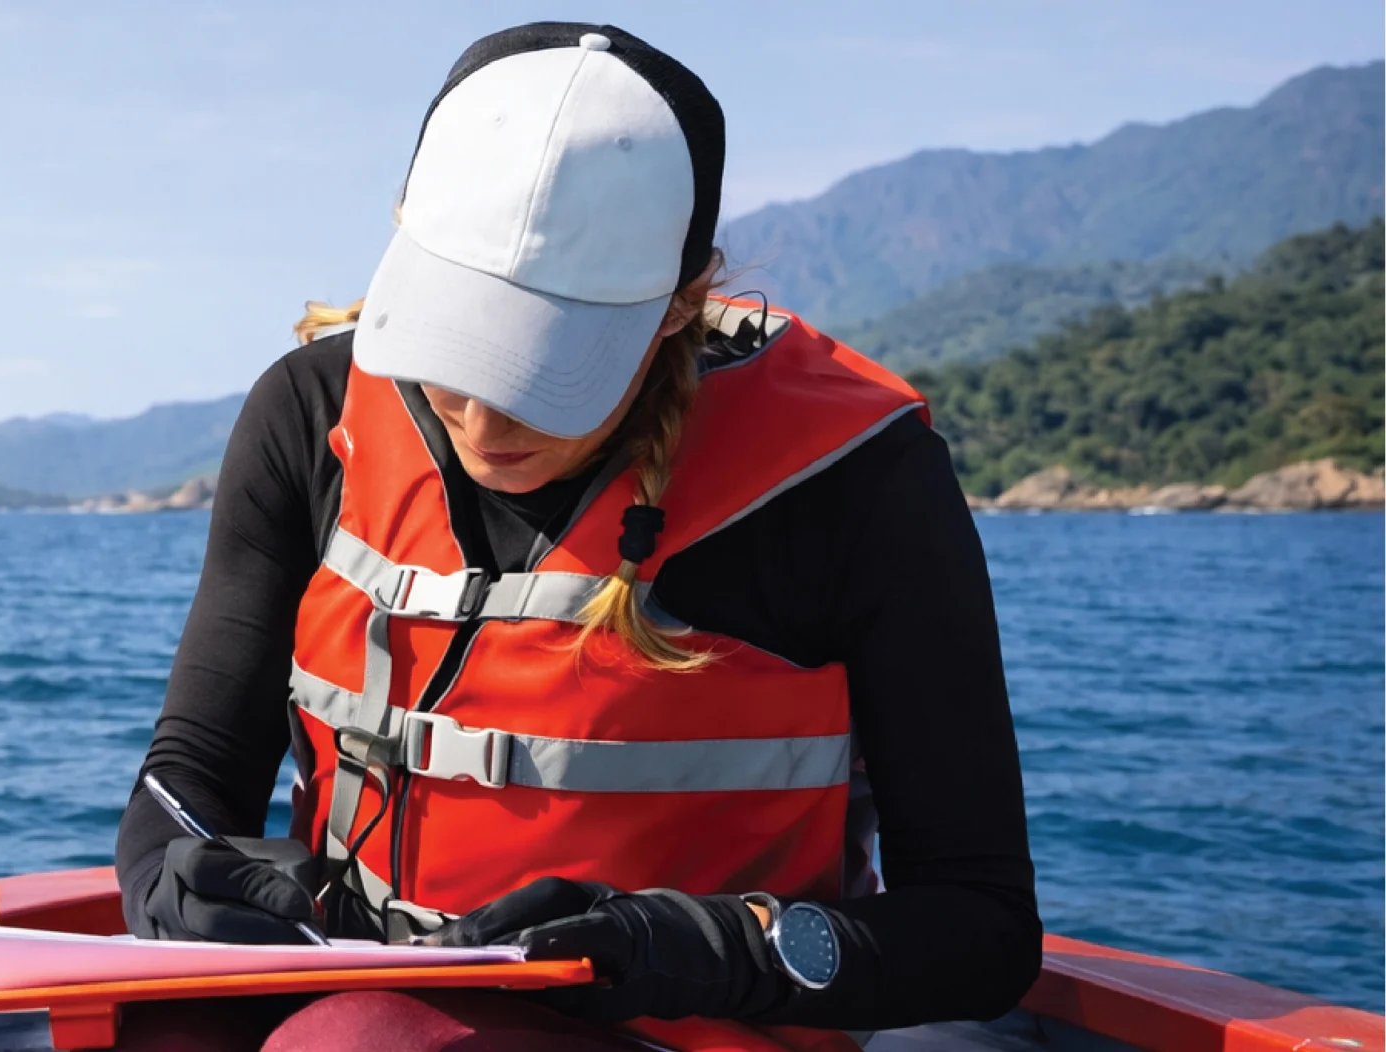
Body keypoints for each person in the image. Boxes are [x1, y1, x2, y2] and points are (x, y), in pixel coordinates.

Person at [113, 21, 1042, 1050]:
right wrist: (179, 877)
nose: (479, 422)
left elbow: (980, 928)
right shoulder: (308, 414)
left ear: (680, 306)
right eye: (452, 350)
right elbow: (185, 776)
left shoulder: (859, 482)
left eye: (544, 375)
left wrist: (700, 945)